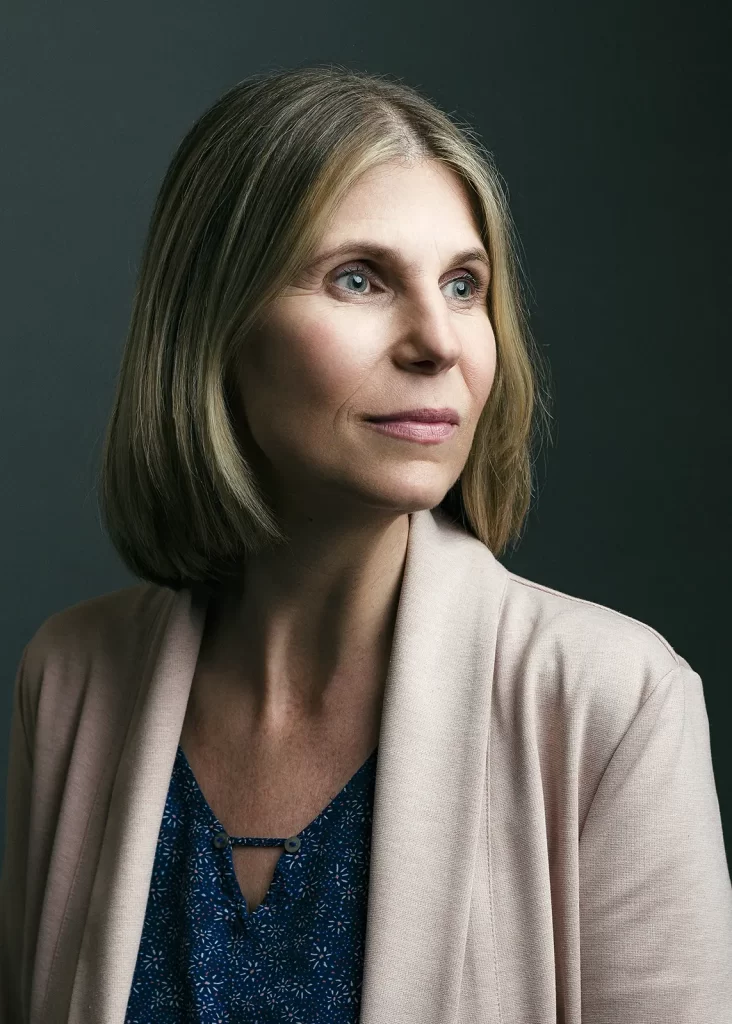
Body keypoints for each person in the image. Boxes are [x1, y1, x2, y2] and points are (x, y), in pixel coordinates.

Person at [1, 64, 731, 1024]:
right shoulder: (71, 682)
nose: (439, 341)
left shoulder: (613, 701)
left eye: (465, 285)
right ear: (213, 327)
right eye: (359, 278)